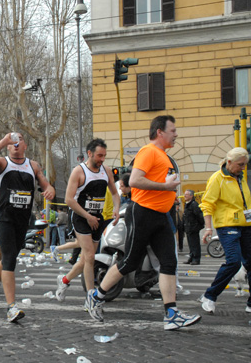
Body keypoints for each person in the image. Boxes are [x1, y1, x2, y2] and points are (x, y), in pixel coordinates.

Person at [87, 115, 201, 330]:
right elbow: (135, 180)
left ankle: (171, 314)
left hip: (160, 215)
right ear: (160, 131)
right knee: (129, 262)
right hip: (143, 214)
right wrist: (165, 187)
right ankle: (96, 295)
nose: (176, 134)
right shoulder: (148, 151)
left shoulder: (164, 156)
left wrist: (169, 194)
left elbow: (157, 183)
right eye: (173, 130)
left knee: (169, 263)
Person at [0, 132, 55, 322]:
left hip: (22, 219)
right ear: (7, 146)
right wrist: (3, 140)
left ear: (25, 146)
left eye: (18, 140)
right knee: (8, 257)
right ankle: (12, 307)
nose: (15, 143)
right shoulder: (2, 163)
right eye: (11, 142)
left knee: (10, 257)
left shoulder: (34, 165)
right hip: (2, 217)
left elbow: (45, 185)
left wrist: (50, 190)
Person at [55, 139, 120, 304]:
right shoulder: (79, 171)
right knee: (90, 256)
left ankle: (64, 281)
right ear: (89, 153)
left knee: (86, 259)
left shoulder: (106, 171)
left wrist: (117, 208)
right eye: (99, 155)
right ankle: (91, 298)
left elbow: (114, 192)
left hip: (97, 218)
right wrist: (87, 216)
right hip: (80, 216)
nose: (102, 159)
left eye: (104, 156)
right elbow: (69, 200)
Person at [199, 147, 251, 314]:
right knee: (234, 262)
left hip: (246, 225)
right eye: (240, 164)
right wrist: (208, 228)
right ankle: (209, 296)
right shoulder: (217, 178)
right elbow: (207, 204)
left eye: (245, 165)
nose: (243, 168)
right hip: (227, 225)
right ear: (229, 162)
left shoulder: (240, 177)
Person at [183, 189, 204, 265]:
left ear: (191, 196)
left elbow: (199, 216)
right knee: (191, 244)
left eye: (187, 194)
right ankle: (191, 257)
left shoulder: (194, 204)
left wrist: (200, 225)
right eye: (185, 194)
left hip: (193, 228)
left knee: (195, 244)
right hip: (189, 228)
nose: (184, 196)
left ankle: (196, 259)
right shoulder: (187, 204)